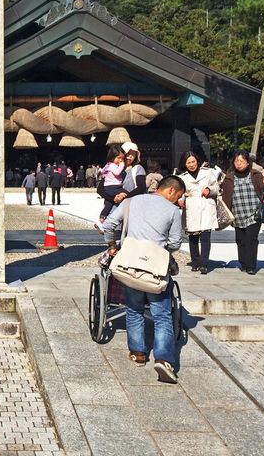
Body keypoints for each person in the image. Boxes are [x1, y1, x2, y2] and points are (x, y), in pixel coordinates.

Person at [102, 175, 186, 384]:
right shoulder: (172, 210)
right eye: (178, 196)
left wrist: (112, 245)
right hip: (155, 268)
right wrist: (161, 249)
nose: (178, 201)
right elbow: (175, 242)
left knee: (133, 309)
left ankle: (138, 353)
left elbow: (110, 224)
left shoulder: (130, 201)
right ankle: (164, 359)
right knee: (162, 315)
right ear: (171, 191)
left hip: (130, 265)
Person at [221, 150, 264, 275]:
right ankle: (243, 262)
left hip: (254, 213)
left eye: (241, 161)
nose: (238, 164)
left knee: (251, 239)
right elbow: (225, 197)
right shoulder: (229, 177)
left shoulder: (256, 175)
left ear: (247, 162)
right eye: (236, 161)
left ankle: (251, 265)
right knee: (240, 240)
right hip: (237, 214)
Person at [175, 151, 220, 274]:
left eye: (193, 161)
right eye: (188, 162)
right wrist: (180, 200)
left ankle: (204, 264)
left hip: (206, 205)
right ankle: (195, 262)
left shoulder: (207, 172)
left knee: (206, 236)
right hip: (191, 207)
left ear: (197, 161)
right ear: (184, 164)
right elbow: (180, 193)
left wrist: (209, 189)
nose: (191, 165)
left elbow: (216, 187)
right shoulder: (182, 177)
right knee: (193, 237)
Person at [96, 146, 126, 228]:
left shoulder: (107, 165)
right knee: (127, 193)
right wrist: (122, 165)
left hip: (108, 188)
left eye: (122, 158)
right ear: (112, 157)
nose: (120, 160)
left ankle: (101, 220)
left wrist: (101, 173)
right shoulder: (113, 166)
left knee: (108, 205)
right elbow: (117, 172)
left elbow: (101, 171)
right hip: (114, 187)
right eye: (118, 158)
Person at [113, 142, 148, 206]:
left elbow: (141, 188)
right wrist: (114, 198)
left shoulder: (138, 168)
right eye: (128, 153)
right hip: (115, 208)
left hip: (132, 206)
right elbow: (101, 189)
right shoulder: (114, 168)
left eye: (133, 154)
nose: (130, 156)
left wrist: (124, 198)